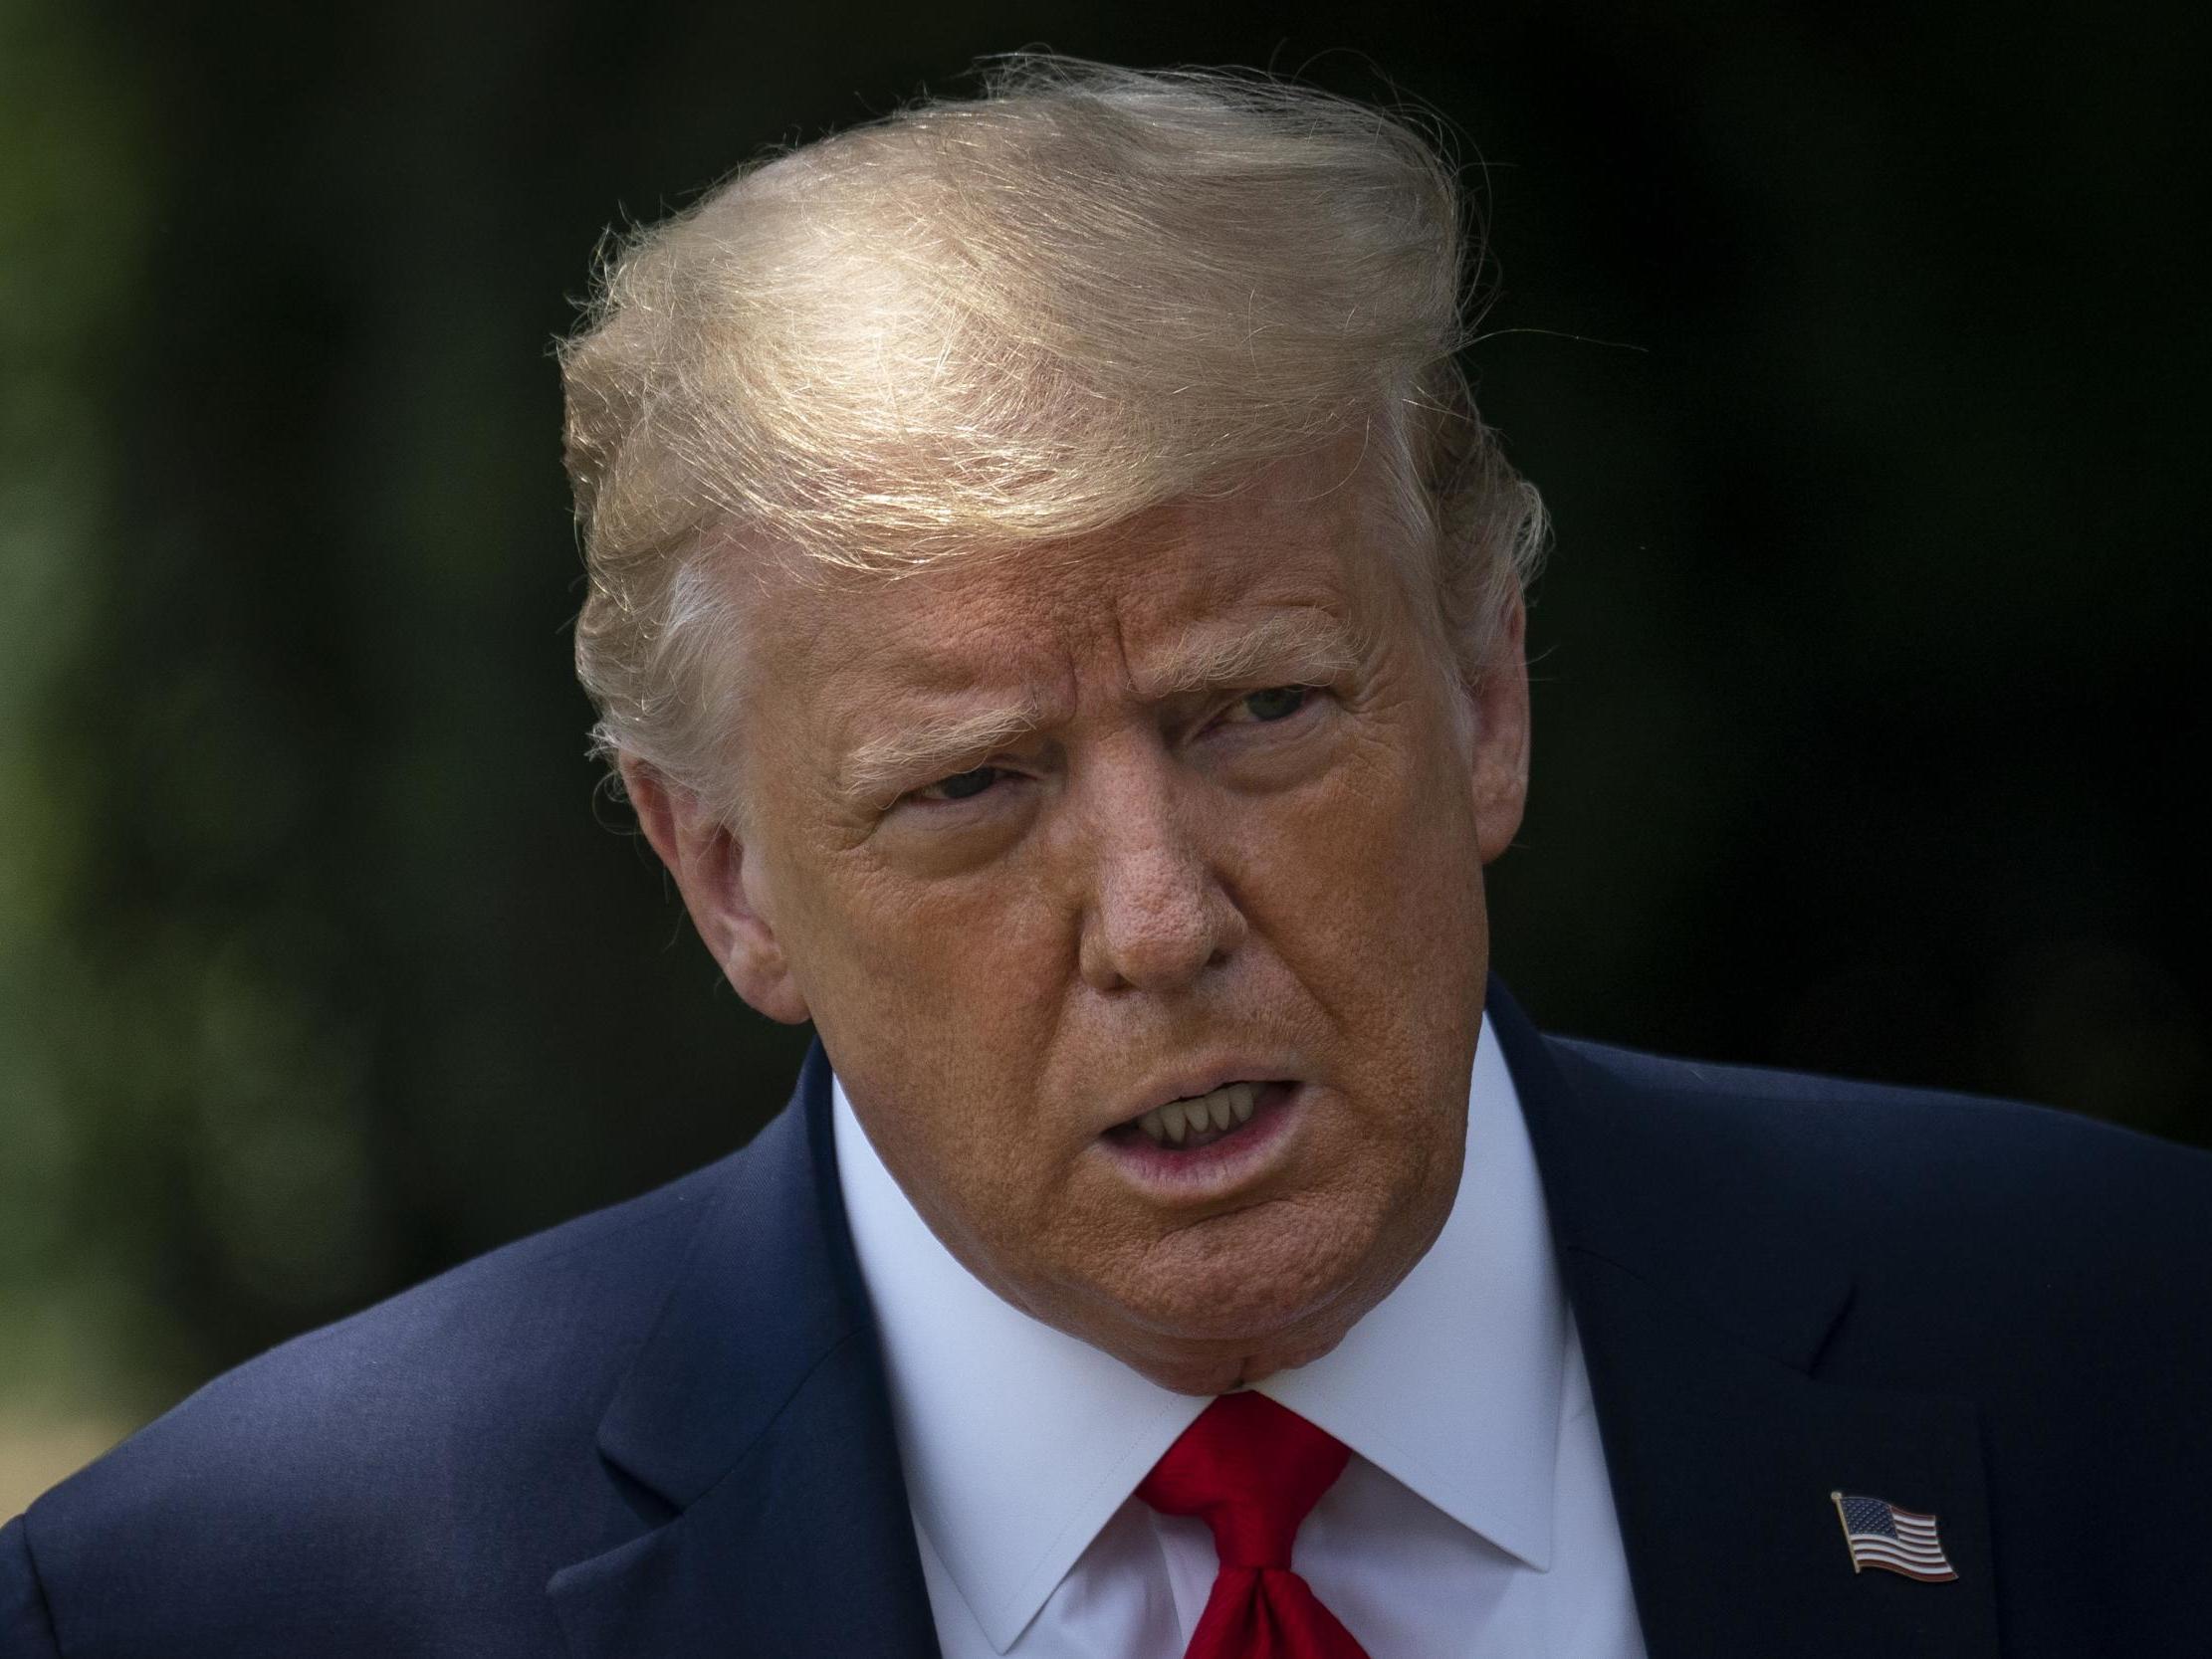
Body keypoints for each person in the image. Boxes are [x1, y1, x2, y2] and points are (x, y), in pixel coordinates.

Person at [4, 56, 2206, 1659]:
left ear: (1487, 699)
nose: (1160, 920)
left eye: (1258, 713)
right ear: (727, 879)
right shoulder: (219, 1603)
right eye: (970, 788)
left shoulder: (2127, 1355)